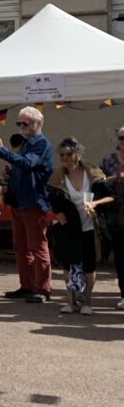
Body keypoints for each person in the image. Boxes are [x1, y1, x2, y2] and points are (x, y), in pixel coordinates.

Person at [0, 107, 54, 303]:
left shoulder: (41, 143)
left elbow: (28, 163)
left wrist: (2, 150)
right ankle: (27, 285)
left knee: (37, 246)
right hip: (20, 201)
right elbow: (25, 169)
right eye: (19, 123)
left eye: (25, 123)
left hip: (33, 201)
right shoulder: (28, 143)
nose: (21, 126)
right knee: (21, 247)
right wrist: (11, 174)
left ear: (38, 124)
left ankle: (42, 289)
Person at [47, 139, 112, 315]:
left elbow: (109, 196)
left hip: (89, 226)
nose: (65, 158)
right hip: (67, 227)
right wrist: (62, 221)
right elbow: (53, 201)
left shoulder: (92, 172)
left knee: (89, 266)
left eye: (69, 154)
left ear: (78, 155)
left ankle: (87, 302)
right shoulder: (57, 177)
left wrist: (95, 204)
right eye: (62, 155)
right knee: (68, 265)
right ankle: (71, 301)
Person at [99, 127, 124, 310]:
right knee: (121, 257)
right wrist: (114, 178)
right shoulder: (108, 160)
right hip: (115, 216)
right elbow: (97, 181)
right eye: (122, 138)